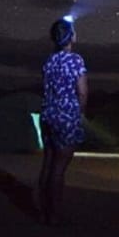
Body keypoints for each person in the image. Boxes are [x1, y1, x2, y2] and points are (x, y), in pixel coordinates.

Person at [36, 17, 88, 225]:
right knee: (59, 169)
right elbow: (82, 92)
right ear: (70, 36)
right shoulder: (76, 60)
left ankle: (43, 210)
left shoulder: (49, 61)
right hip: (66, 118)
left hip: (47, 115)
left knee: (48, 165)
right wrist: (79, 113)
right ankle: (54, 215)